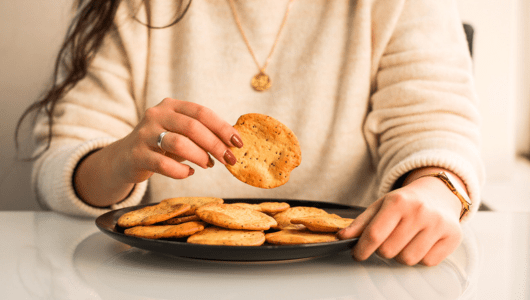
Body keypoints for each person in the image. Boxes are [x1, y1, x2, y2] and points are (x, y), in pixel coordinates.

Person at [17, 0, 484, 266]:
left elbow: (435, 123)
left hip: (356, 273)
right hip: (160, 280)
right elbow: (58, 164)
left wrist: (437, 188)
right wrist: (120, 160)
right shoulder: (132, 6)